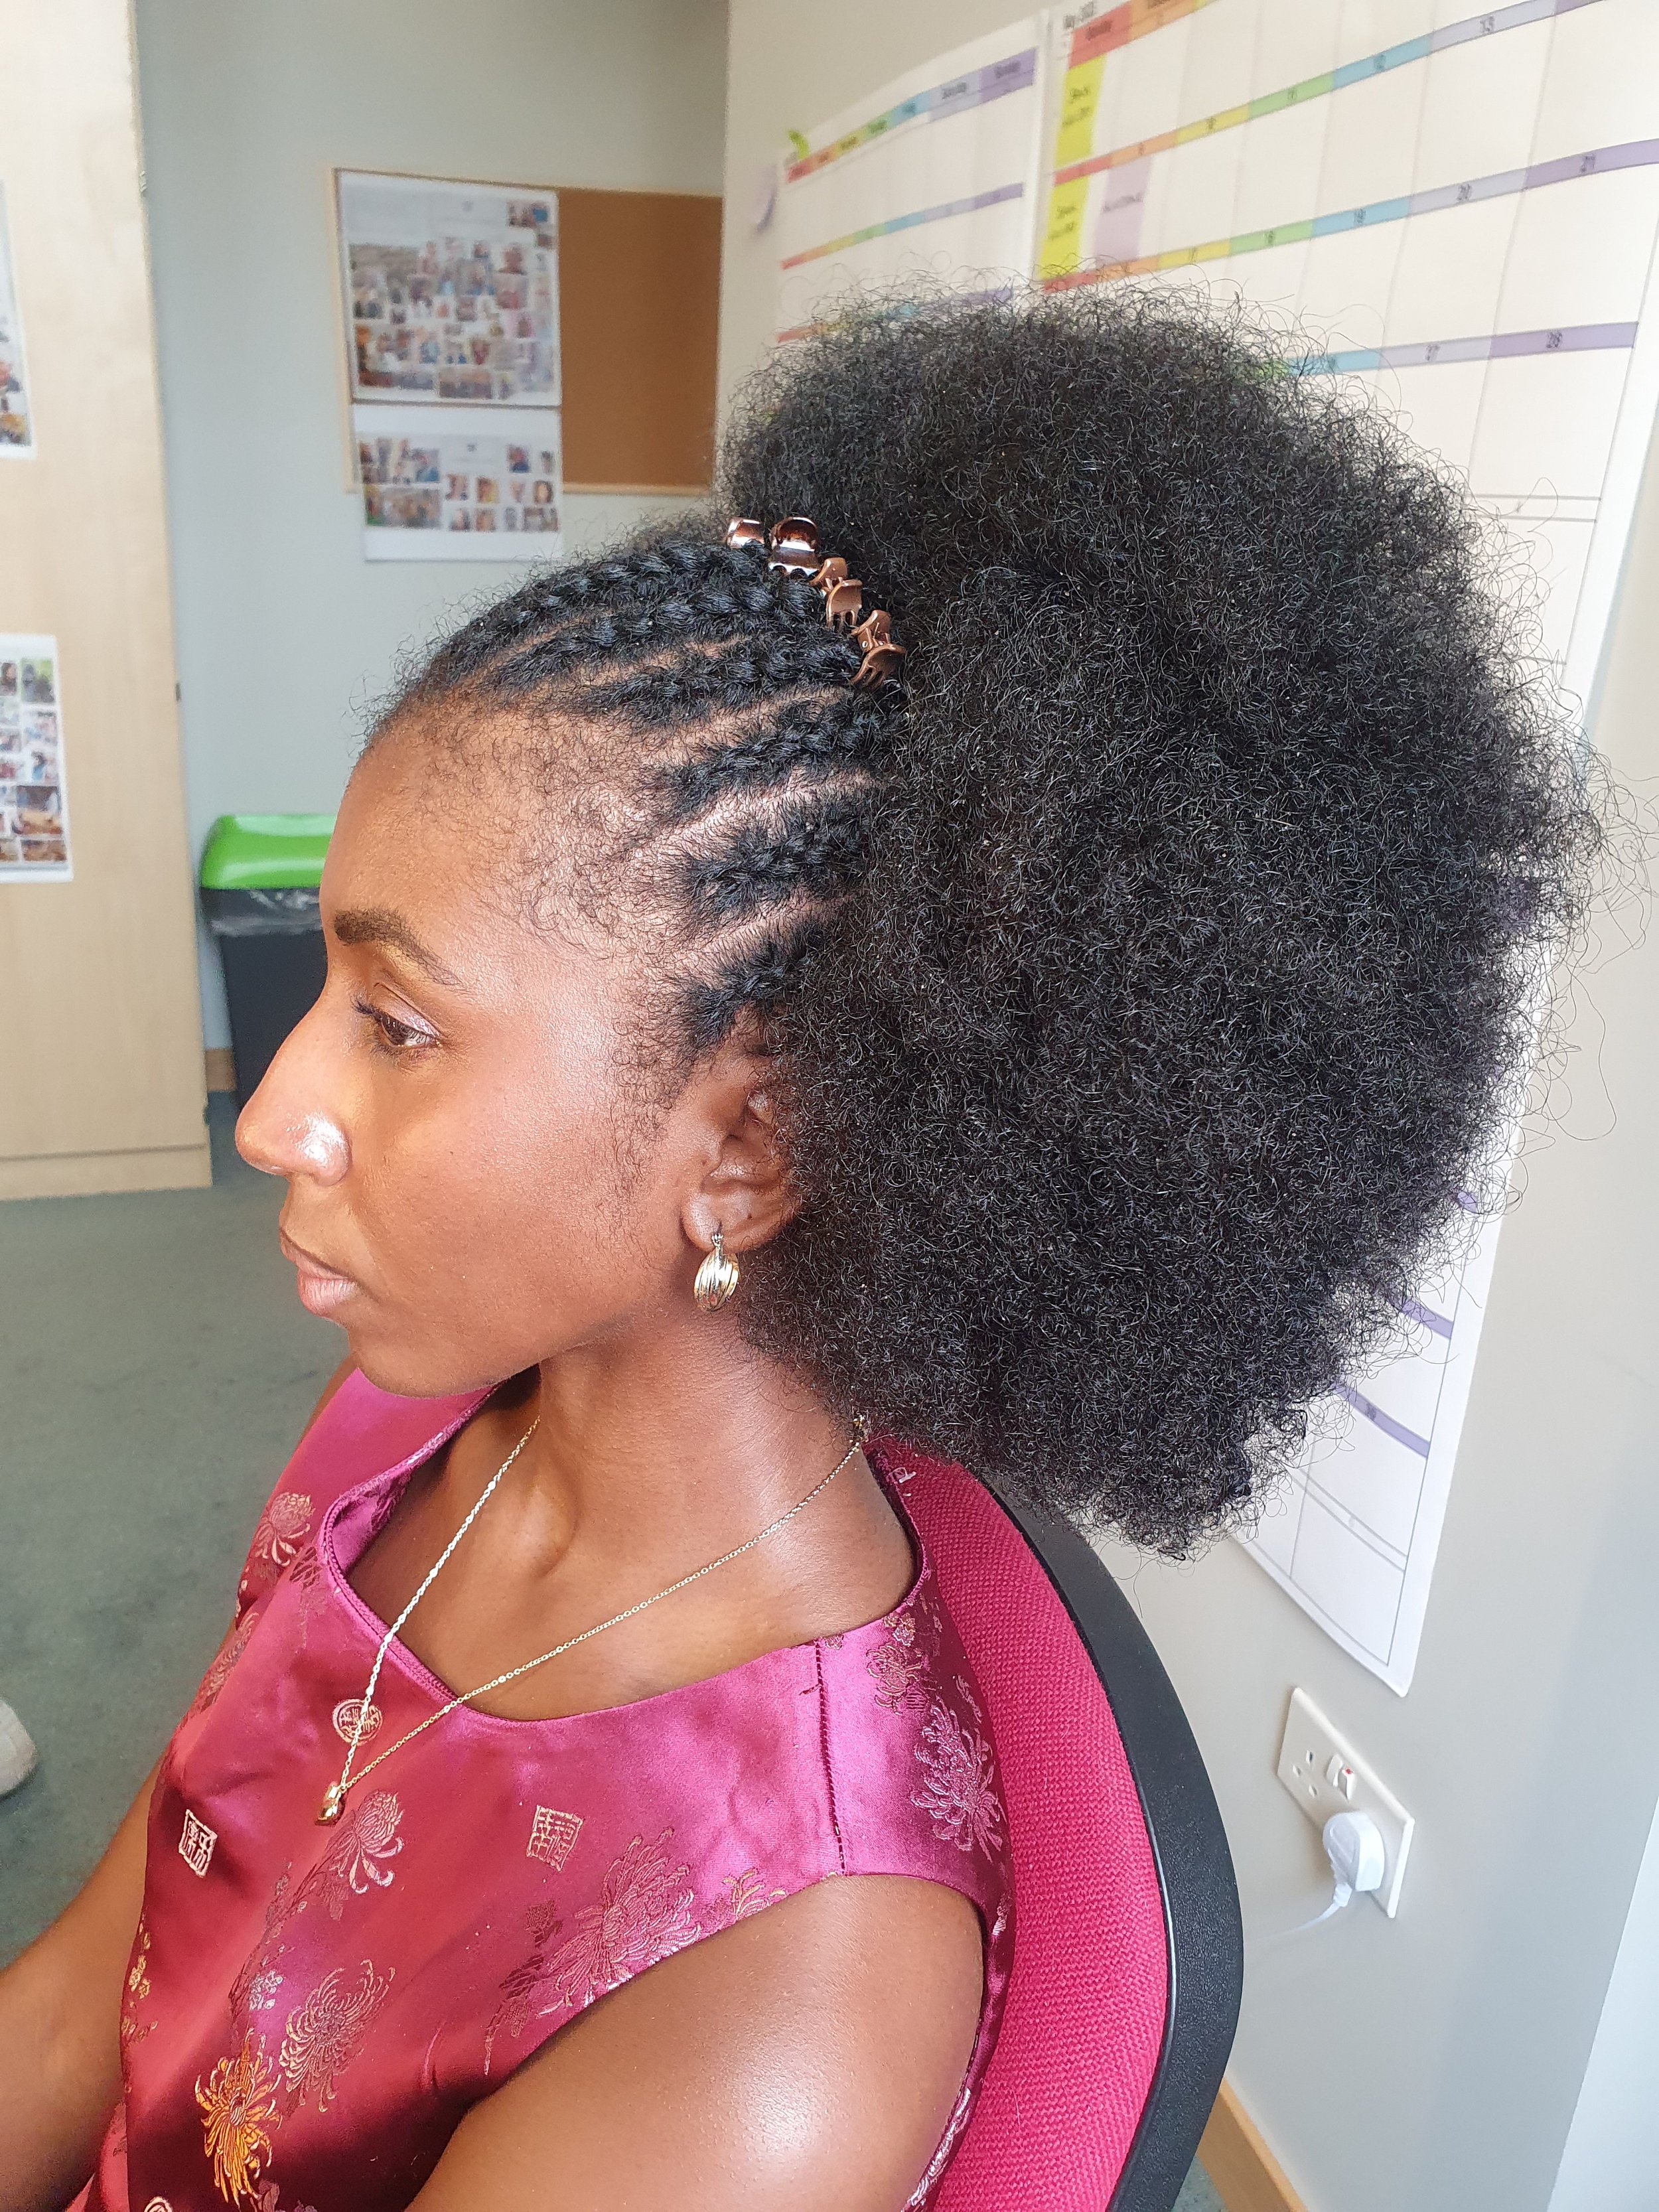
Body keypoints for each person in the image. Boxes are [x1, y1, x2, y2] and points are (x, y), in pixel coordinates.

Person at [0, 291, 1599, 2211]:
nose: (268, 1114)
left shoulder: (782, 1982)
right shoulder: (396, 1438)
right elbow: (93, 1998)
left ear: (749, 1151)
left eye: (396, 1024)